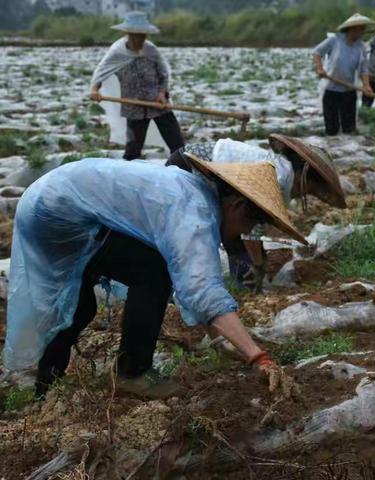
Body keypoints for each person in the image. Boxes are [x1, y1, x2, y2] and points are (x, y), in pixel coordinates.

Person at [4, 156, 305, 399]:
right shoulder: (195, 211)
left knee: (80, 307)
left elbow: (194, 280)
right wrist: (258, 356)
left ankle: (42, 391)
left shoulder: (194, 192)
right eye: (248, 223)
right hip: (59, 211)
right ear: (237, 205)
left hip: (54, 197)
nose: (242, 234)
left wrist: (222, 340)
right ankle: (132, 372)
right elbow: (202, 290)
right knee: (153, 271)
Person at [166, 134, 346, 289]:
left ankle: (241, 287)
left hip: (206, 172)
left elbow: (252, 224)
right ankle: (185, 288)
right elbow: (251, 229)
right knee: (196, 233)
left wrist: (259, 259)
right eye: (308, 190)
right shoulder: (279, 178)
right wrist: (258, 264)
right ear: (303, 177)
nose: (304, 195)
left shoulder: (280, 170)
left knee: (234, 235)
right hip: (191, 167)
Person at [90, 12, 184, 159]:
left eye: (143, 35)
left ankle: (184, 172)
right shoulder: (117, 51)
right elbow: (102, 70)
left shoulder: (150, 49)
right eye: (137, 35)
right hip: (134, 106)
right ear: (128, 34)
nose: (141, 39)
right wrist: (95, 89)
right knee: (133, 151)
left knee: (177, 145)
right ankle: (128, 177)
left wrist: (161, 93)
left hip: (157, 103)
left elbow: (163, 73)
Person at [313, 13, 375, 136]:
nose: (362, 32)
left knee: (349, 129)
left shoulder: (361, 47)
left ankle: (349, 151)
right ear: (352, 29)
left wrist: (366, 85)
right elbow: (317, 52)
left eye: (363, 29)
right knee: (331, 130)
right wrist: (320, 69)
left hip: (349, 91)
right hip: (331, 90)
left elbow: (364, 69)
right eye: (361, 29)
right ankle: (333, 151)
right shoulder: (335, 40)